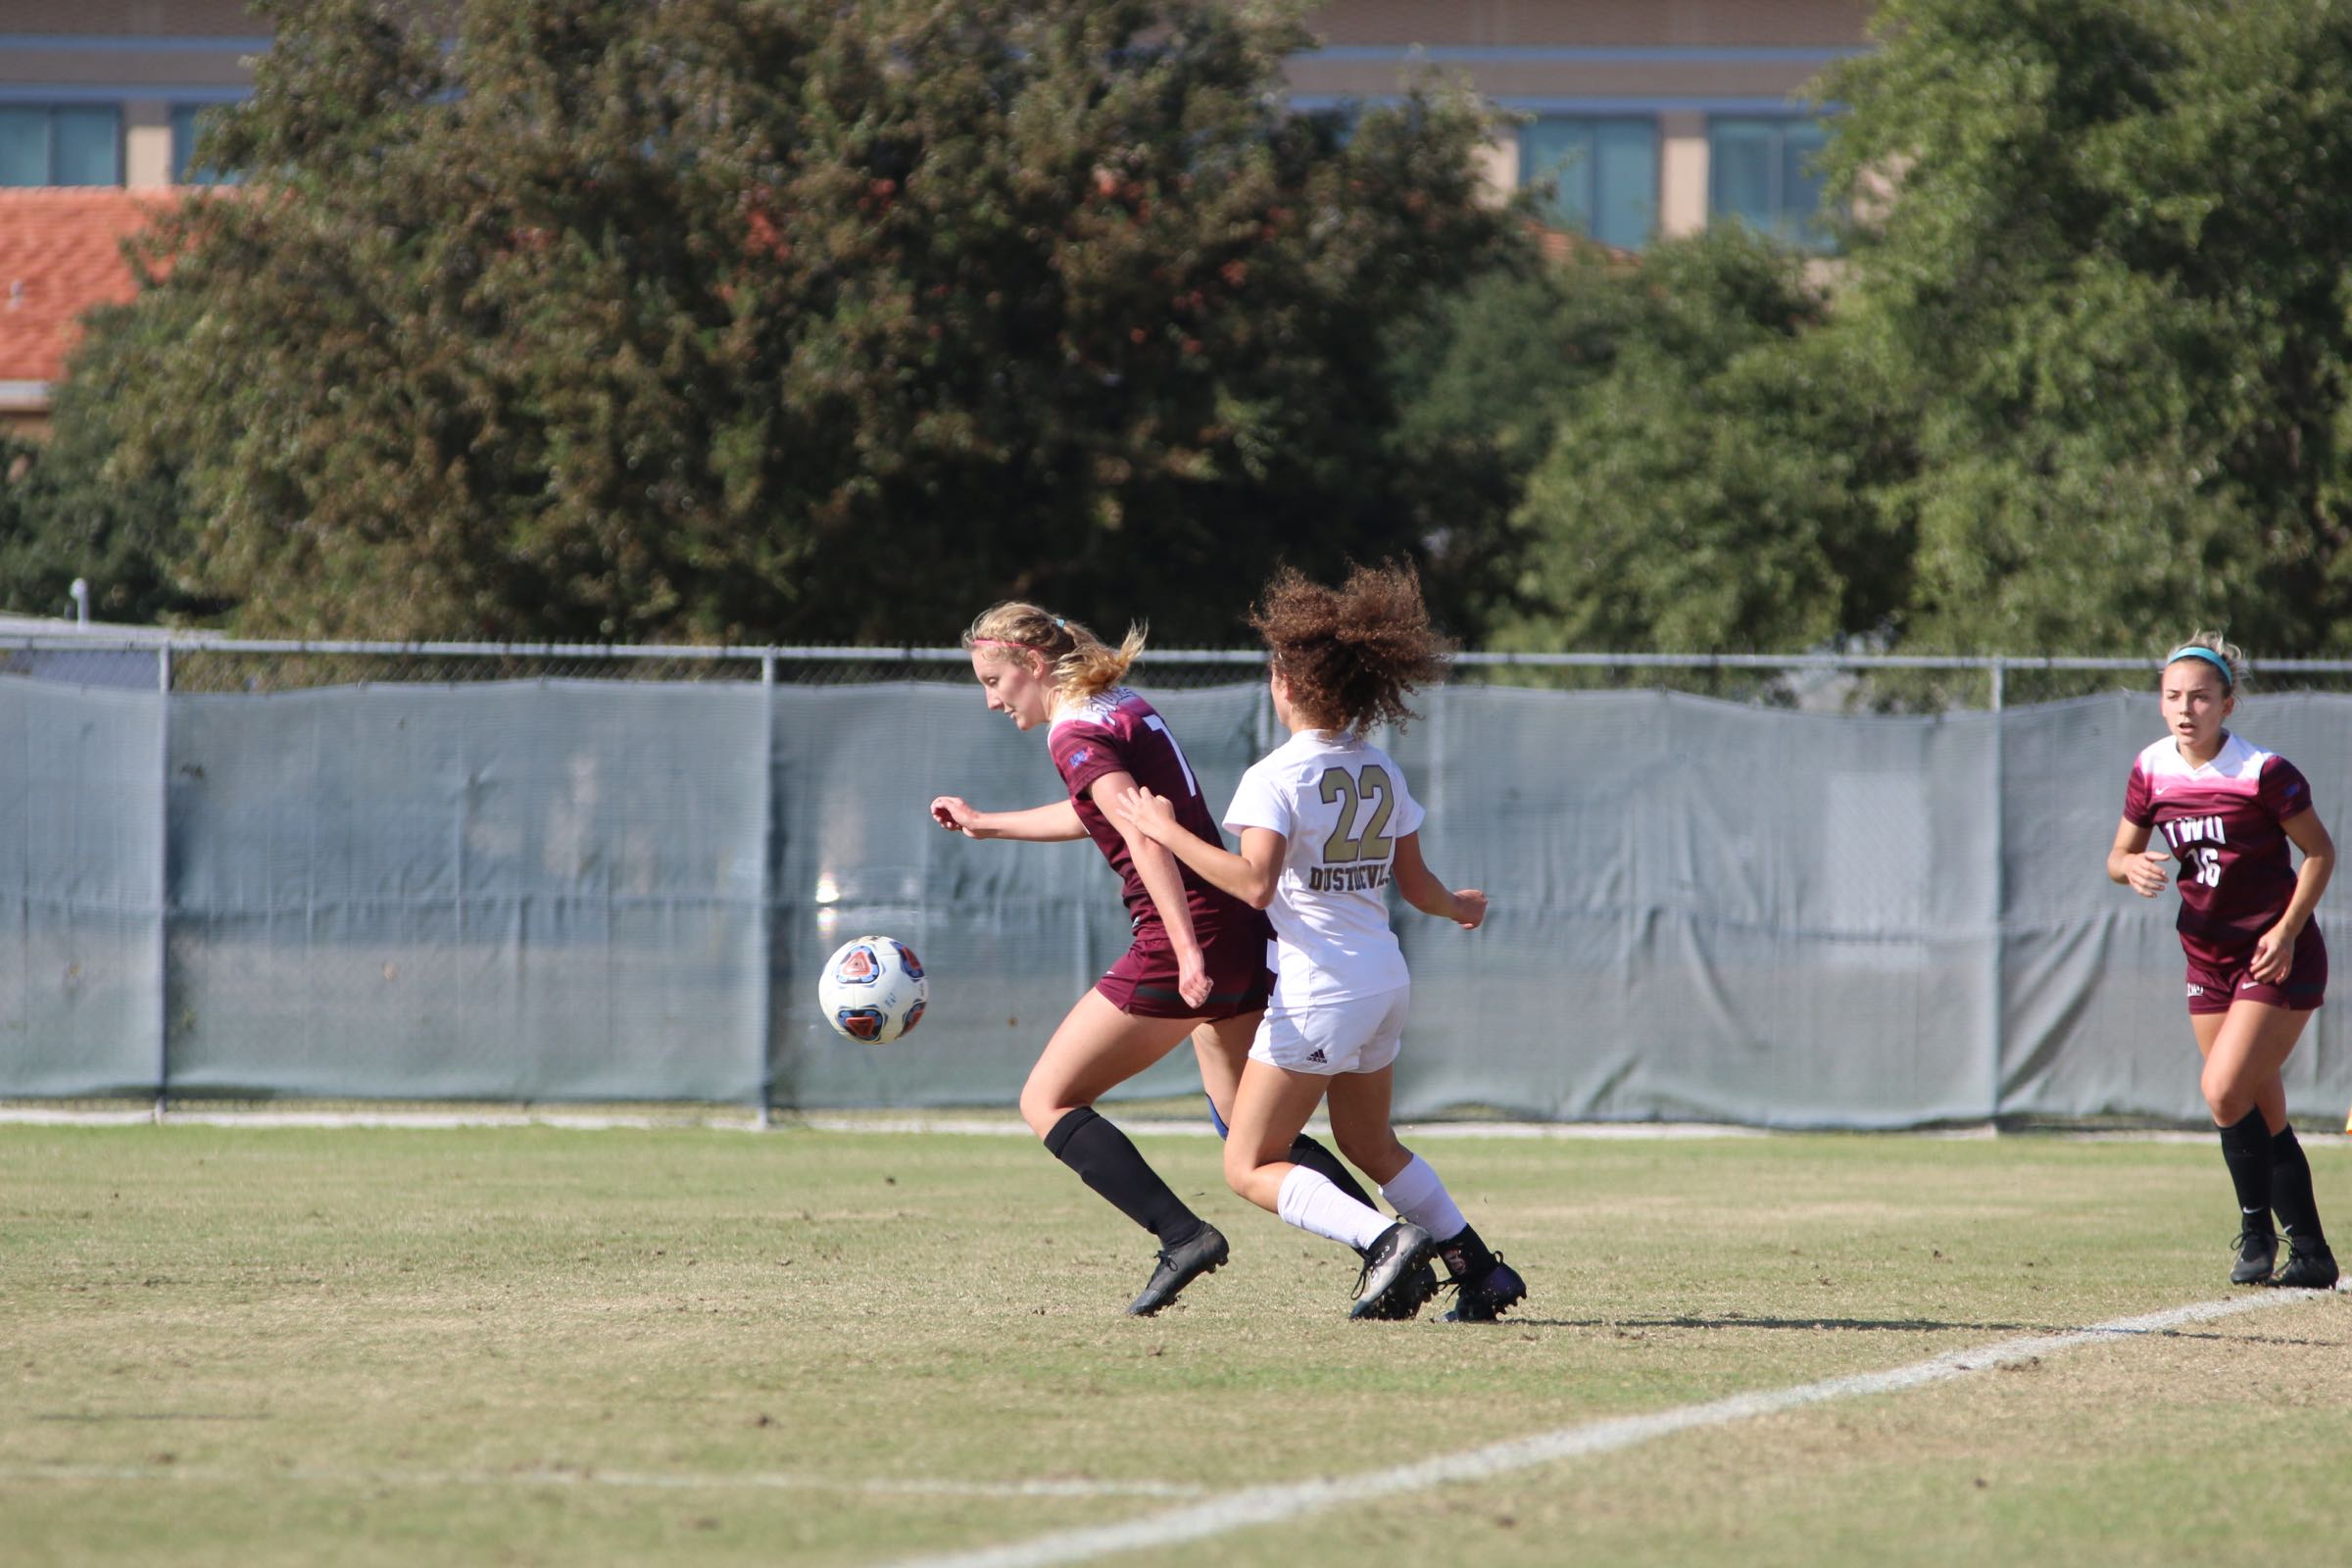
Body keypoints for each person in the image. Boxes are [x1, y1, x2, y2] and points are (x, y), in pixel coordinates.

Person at [929, 602, 1424, 1316]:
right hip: (1236, 924)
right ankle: (1390, 1246)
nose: (992, 698)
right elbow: (1107, 808)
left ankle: (1182, 1235)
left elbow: (1143, 837)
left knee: (1047, 1099)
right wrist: (989, 823)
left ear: (1033, 665)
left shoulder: (1071, 730)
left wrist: (1185, 951)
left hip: (1182, 934)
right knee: (1249, 1128)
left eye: (995, 679)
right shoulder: (1118, 703)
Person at [1110, 563, 1525, 1321]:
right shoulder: (1381, 768)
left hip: (1321, 989)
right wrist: (1456, 905)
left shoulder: (1275, 777)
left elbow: (1254, 883)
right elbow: (1418, 886)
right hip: (1383, 981)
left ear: (1286, 685)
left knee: (1247, 1161)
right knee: (1371, 1144)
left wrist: (1162, 829)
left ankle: (1383, 1243)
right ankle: (1478, 1268)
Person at [2108, 633, 2338, 1289]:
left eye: (2202, 697)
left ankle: (2257, 1232)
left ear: (2228, 705)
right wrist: (2132, 866)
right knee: (2258, 1109)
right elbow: (2116, 857)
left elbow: (2319, 853)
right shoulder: (2151, 768)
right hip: (2206, 958)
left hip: (2274, 957)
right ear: (2161, 703)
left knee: (2220, 1090)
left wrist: (2289, 931)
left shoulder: (2262, 772)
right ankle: (2313, 1253)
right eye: (2174, 697)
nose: (2187, 709)